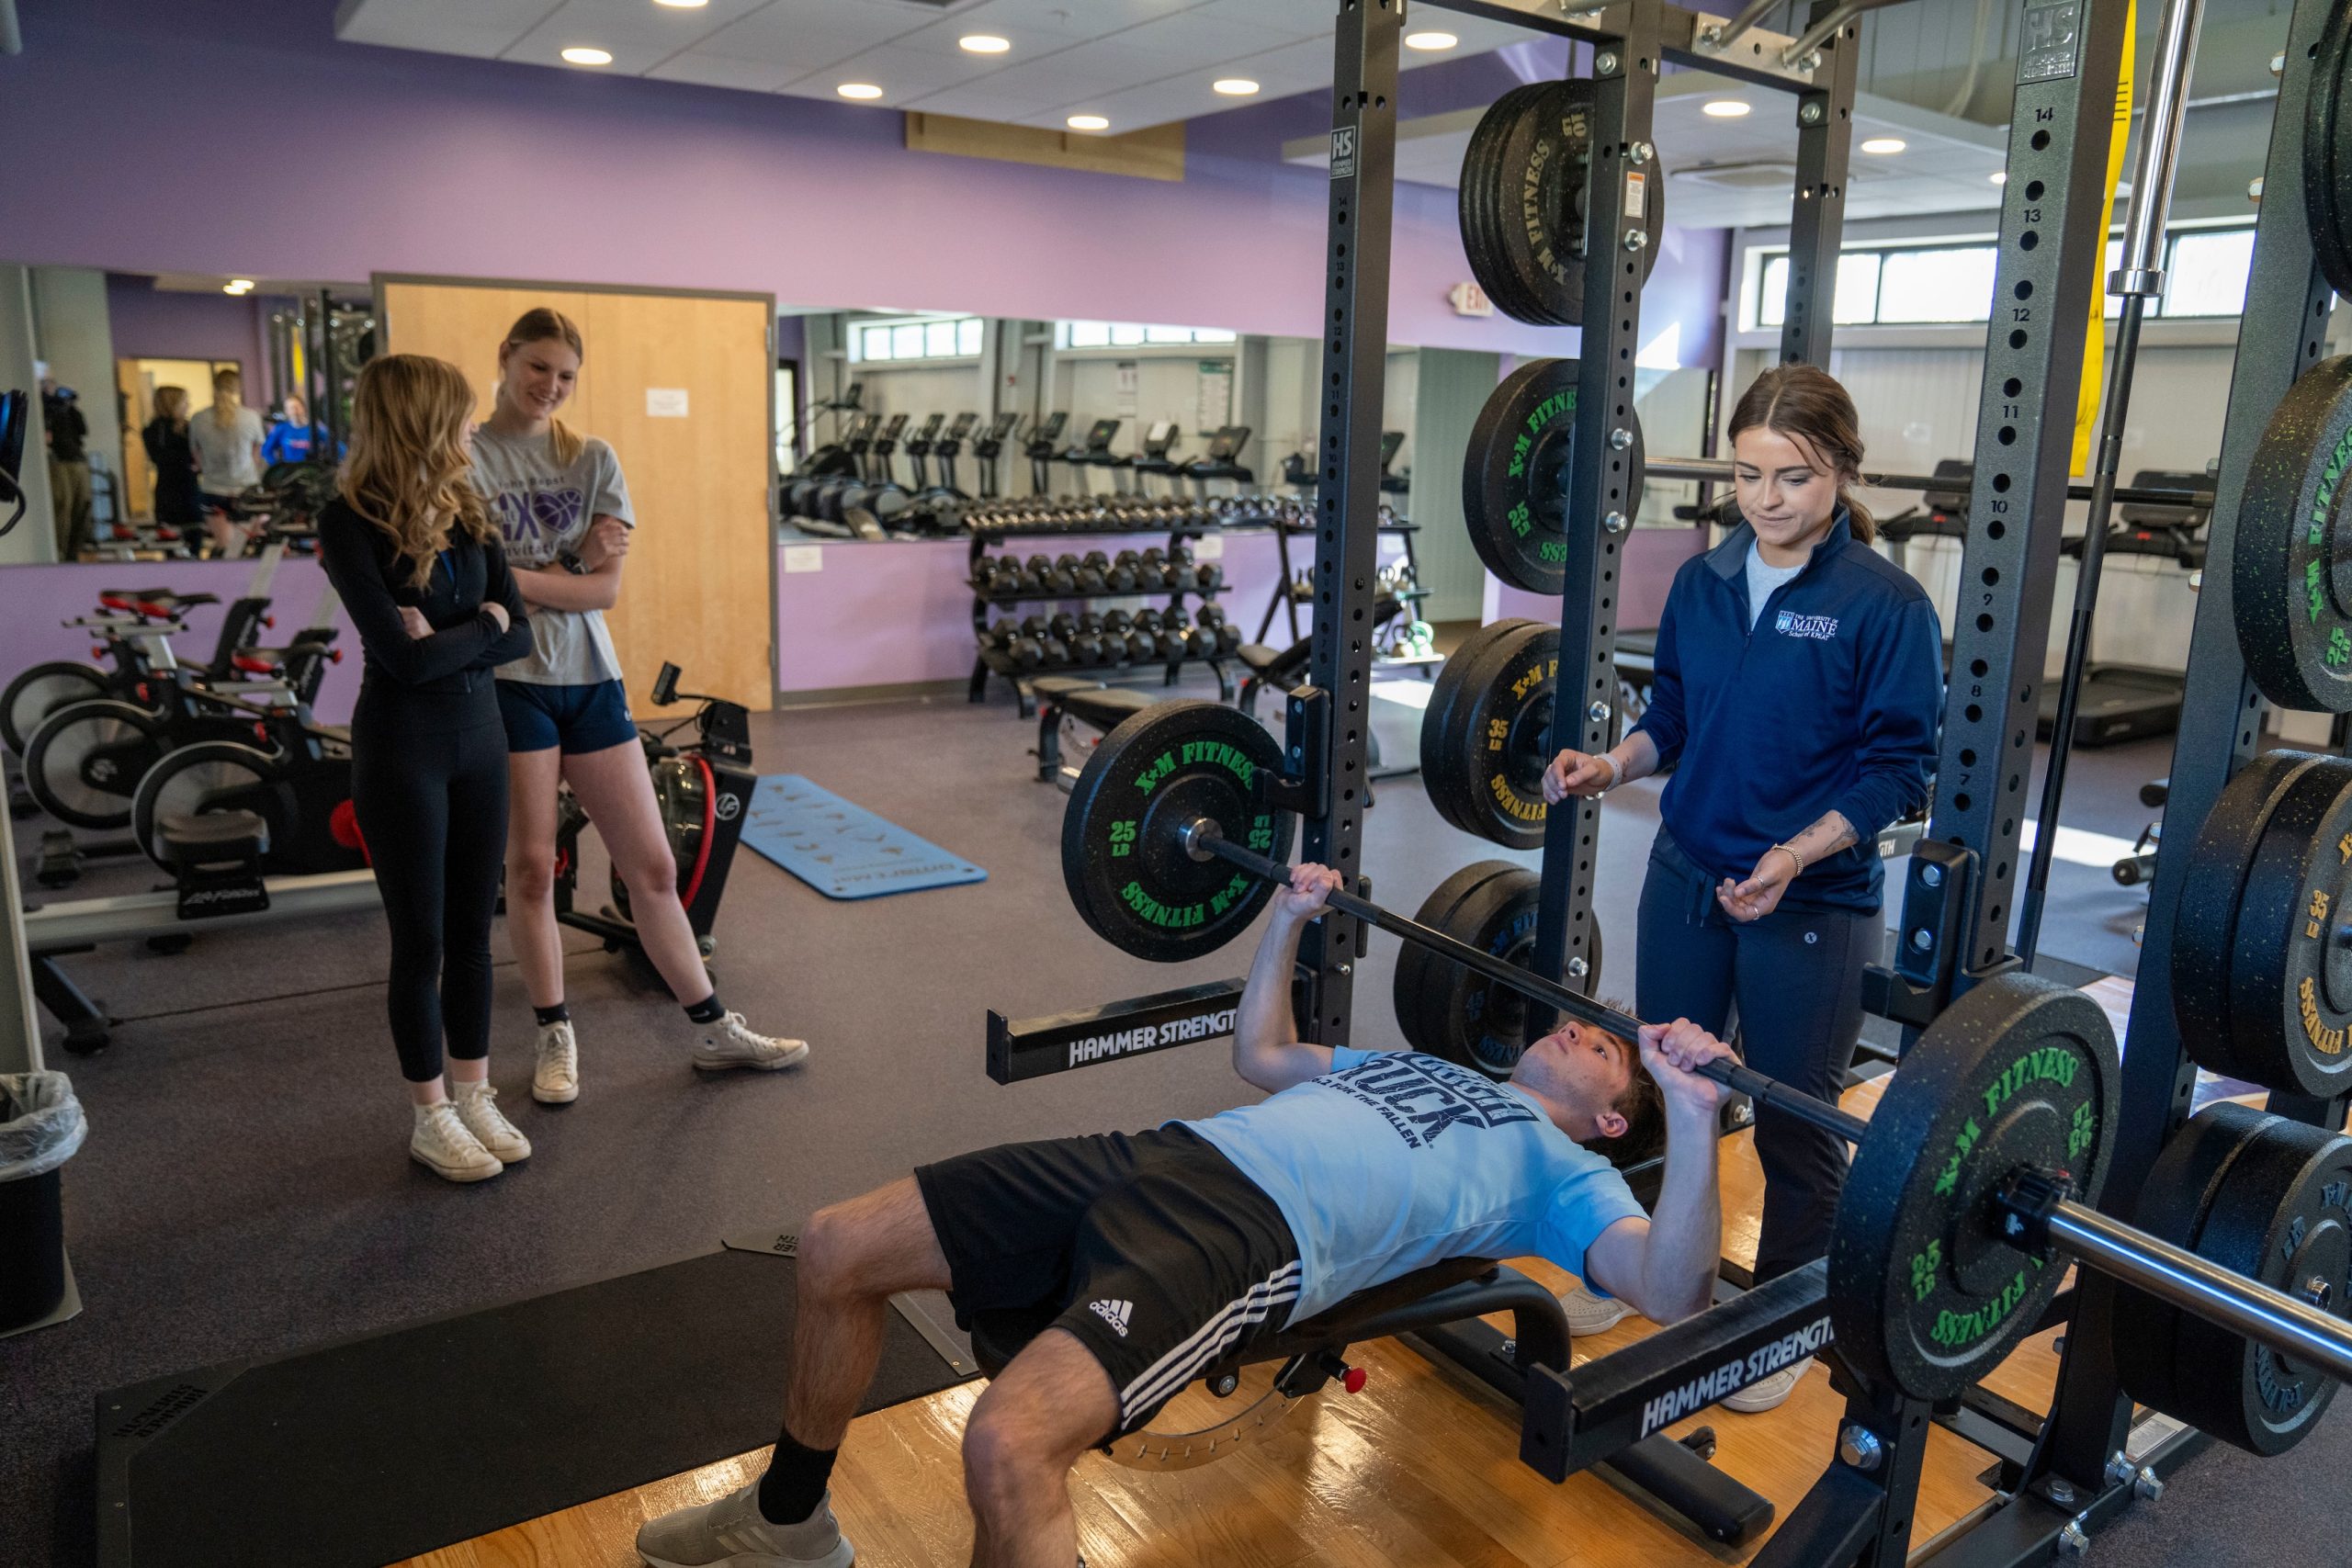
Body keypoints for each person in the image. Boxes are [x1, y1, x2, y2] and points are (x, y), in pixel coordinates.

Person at [633, 862, 1733, 1568]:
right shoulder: (1418, 1066)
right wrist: (1287, 918)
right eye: (1592, 1028)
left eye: (1617, 1061)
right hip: (1157, 1155)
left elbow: (1670, 1288)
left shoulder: (1560, 1171)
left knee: (1009, 1444)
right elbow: (1261, 1053)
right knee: (836, 1243)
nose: (1596, 1036)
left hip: (1239, 1241)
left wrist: (1688, 1120)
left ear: (1605, 1125)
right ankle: (788, 1520)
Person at [1541, 362, 1942, 1411]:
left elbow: (1898, 767)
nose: (1767, 500)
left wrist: (1795, 855)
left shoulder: (1883, 604)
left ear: (1843, 473)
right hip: (1686, 872)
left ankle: (1779, 1320)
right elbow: (1670, 715)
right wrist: (1609, 765)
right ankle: (1633, 1262)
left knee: (1792, 1119)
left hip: (1808, 901)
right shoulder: (1703, 581)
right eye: (1748, 474)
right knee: (1653, 1079)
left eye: (1795, 478)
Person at [469, 307, 804, 1100]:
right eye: (539, 367)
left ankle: (715, 1026)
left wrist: (528, 582)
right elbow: (477, 589)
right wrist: (563, 566)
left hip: (592, 681)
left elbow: (605, 590)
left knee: (651, 865)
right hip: (511, 685)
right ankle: (555, 1033)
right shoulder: (468, 461)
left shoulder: (592, 458)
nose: (550, 386)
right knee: (529, 868)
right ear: (507, 356)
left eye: (566, 376)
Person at [317, 354, 536, 1183]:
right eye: (461, 413)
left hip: (481, 740)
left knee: (473, 934)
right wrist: (477, 629)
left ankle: (475, 1091)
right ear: (421, 420)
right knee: (422, 941)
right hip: (403, 746)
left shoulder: (470, 509)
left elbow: (520, 631)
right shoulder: (347, 522)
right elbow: (401, 667)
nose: (472, 426)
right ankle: (431, 1111)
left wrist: (453, 633)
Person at [189, 366, 264, 513]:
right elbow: (256, 454)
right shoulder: (251, 417)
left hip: (212, 488)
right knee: (249, 535)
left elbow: (196, 454)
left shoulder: (198, 418)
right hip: (246, 488)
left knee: (222, 538)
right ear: (238, 388)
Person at [40, 372, 92, 561]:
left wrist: (70, 407)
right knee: (63, 506)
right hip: (58, 461)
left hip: (77, 459)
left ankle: (74, 551)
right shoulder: (45, 408)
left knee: (82, 505)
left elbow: (83, 430)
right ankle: (60, 552)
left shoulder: (69, 410)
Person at [141, 385, 203, 531]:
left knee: (170, 536)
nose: (188, 405)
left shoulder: (151, 430)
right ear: (173, 404)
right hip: (186, 487)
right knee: (193, 531)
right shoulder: (187, 429)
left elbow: (159, 458)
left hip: (166, 487)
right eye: (184, 401)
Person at [261, 392, 333, 466]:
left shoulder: (315, 428)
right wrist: (277, 469)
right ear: (286, 411)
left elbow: (336, 446)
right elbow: (266, 450)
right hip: (290, 473)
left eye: (297, 407)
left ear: (303, 408)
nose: (294, 411)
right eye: (290, 408)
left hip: (311, 471)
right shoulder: (281, 429)